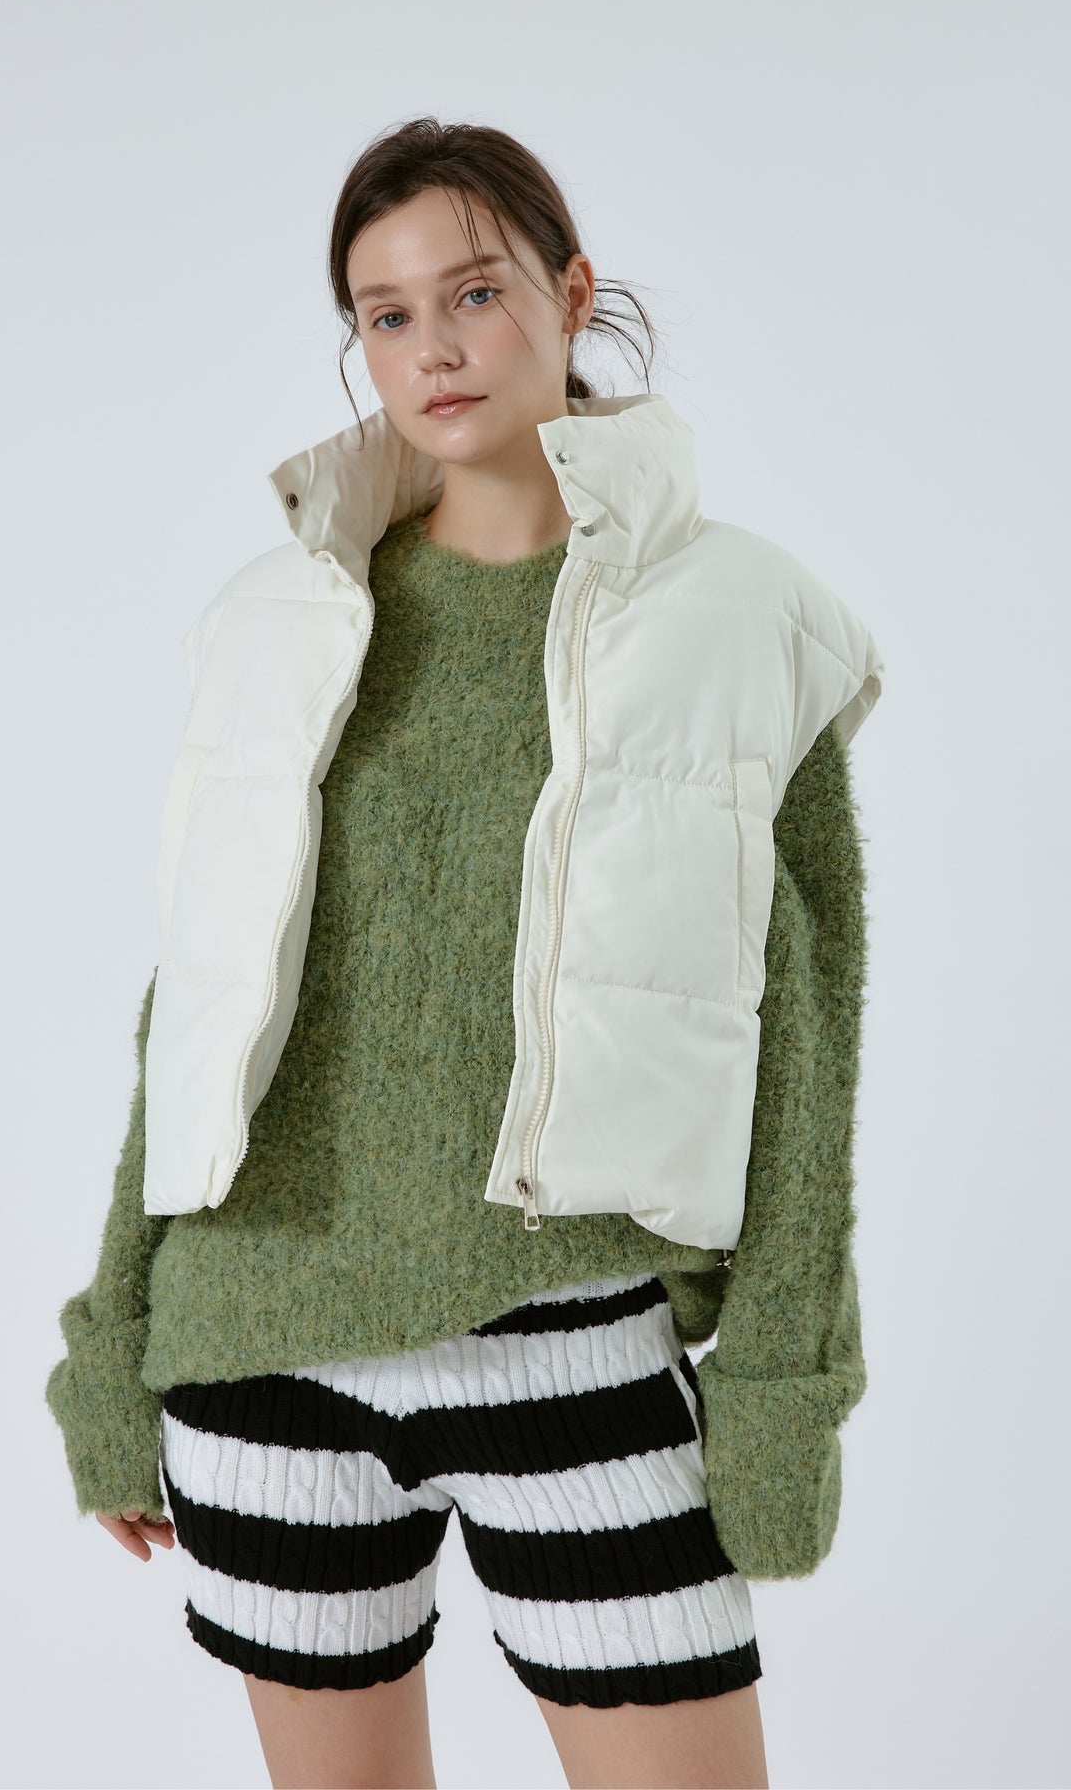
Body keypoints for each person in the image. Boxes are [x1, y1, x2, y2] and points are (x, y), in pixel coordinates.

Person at [45, 116, 884, 1790]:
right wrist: (113, 1346)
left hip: (570, 1326)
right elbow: (195, 1011)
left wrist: (784, 1381)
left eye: (476, 292)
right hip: (262, 1338)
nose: (433, 346)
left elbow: (810, 1028)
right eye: (387, 312)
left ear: (571, 295)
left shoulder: (742, 617)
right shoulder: (277, 617)